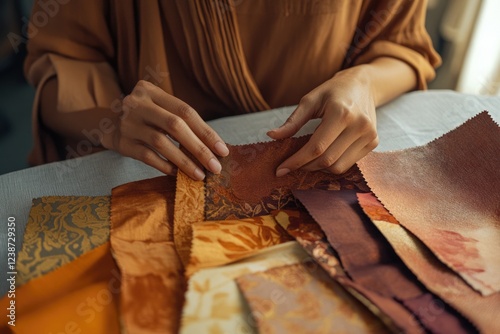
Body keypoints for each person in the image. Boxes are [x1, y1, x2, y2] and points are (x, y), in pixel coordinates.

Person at [25, 0, 440, 181]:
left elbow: (402, 48)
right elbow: (64, 61)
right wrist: (111, 119)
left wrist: (364, 81)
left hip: (314, 167)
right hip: (149, 163)